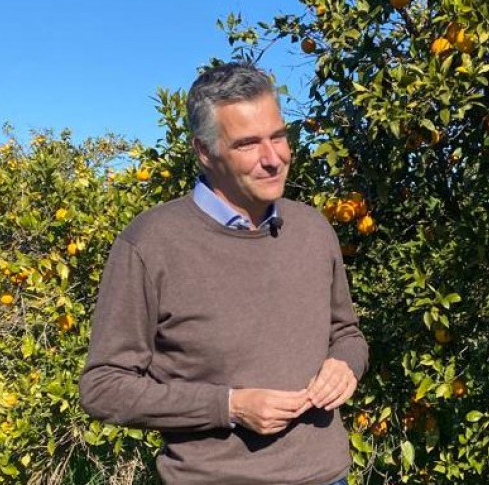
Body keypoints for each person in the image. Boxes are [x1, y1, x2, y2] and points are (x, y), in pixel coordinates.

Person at [79, 61, 369, 485]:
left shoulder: (312, 228)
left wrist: (346, 364)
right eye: (248, 144)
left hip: (326, 477)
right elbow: (103, 387)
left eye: (279, 136)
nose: (273, 159)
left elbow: (348, 334)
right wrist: (229, 406)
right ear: (204, 151)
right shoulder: (151, 243)